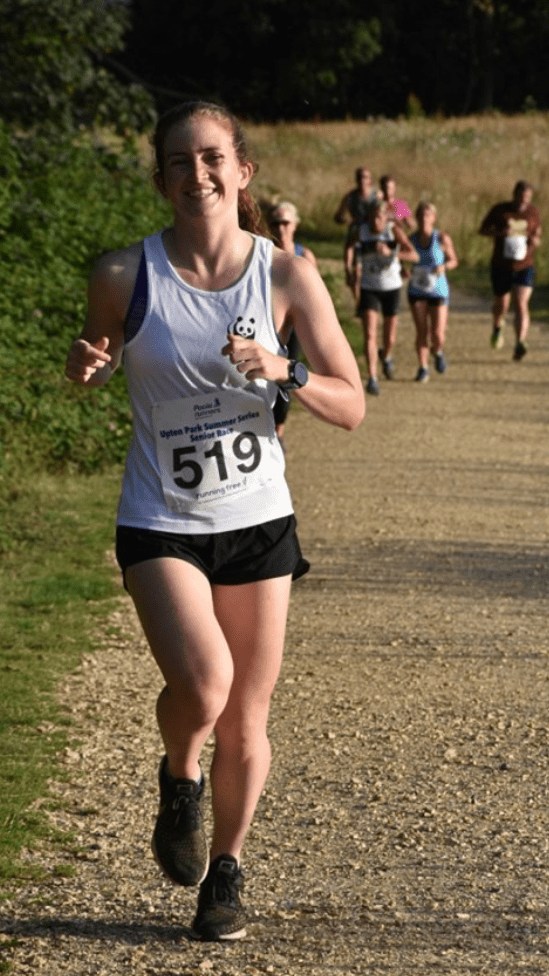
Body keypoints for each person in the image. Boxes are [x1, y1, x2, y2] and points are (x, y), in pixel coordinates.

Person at [64, 100, 364, 942]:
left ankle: (224, 873)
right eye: (177, 162)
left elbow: (350, 406)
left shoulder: (287, 277)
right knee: (203, 684)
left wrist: (284, 367)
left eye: (210, 158)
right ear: (159, 179)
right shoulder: (125, 275)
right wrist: (86, 363)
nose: (195, 174)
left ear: (242, 171)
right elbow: (92, 354)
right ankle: (177, 774)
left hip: (257, 519)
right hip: (160, 514)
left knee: (247, 718)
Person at [345, 199, 418, 394]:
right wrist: (349, 269)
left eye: (381, 216)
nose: (377, 220)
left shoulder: (395, 218)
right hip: (369, 288)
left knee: (390, 339)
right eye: (374, 215)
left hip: (392, 288)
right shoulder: (361, 231)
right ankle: (372, 377)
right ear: (368, 216)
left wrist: (392, 253)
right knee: (369, 333)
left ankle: (385, 356)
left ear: (386, 216)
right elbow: (349, 247)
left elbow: (414, 254)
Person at [267, 201, 318, 450]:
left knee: (288, 374)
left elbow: (316, 300)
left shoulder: (393, 205)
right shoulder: (261, 253)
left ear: (295, 225)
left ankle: (279, 430)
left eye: (285, 223)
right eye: (275, 223)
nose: (280, 228)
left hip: (295, 325)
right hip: (268, 324)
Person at [478, 180, 542, 360]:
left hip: (525, 264)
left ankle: (520, 341)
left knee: (521, 303)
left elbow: (537, 232)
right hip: (501, 265)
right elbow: (482, 230)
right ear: (514, 194)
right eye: (521, 196)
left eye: (527, 197)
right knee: (502, 304)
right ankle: (498, 327)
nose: (523, 200)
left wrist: (535, 241)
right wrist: (500, 234)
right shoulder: (500, 210)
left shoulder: (532, 212)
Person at [407, 201, 459, 382]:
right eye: (420, 214)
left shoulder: (442, 238)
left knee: (437, 333)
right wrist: (405, 271)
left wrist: (444, 267)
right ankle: (423, 367)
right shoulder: (410, 240)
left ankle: (437, 351)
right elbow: (403, 261)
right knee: (421, 331)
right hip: (417, 290)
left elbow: (454, 260)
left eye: (427, 214)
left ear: (434, 218)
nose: (423, 218)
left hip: (438, 291)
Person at [333, 167, 378, 303]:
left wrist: (402, 216)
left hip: (373, 235)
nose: (363, 180)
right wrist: (346, 220)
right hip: (356, 235)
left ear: (370, 180)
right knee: (357, 271)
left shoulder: (377, 195)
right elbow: (337, 216)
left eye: (365, 177)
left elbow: (393, 204)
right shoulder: (350, 197)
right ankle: (359, 302)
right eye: (360, 177)